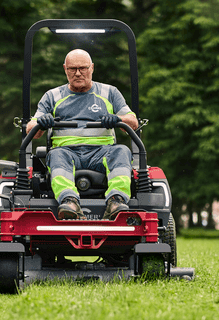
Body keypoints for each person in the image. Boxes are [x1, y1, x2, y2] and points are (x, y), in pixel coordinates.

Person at [26, 49, 139, 220]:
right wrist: (41, 122)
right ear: (65, 69)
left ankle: (116, 200)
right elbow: (31, 129)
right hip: (66, 152)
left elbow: (132, 122)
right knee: (55, 154)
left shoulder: (109, 93)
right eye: (72, 69)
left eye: (83, 68)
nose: (78, 73)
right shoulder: (53, 96)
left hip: (102, 152)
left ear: (92, 68)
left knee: (122, 151)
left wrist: (117, 118)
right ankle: (69, 201)